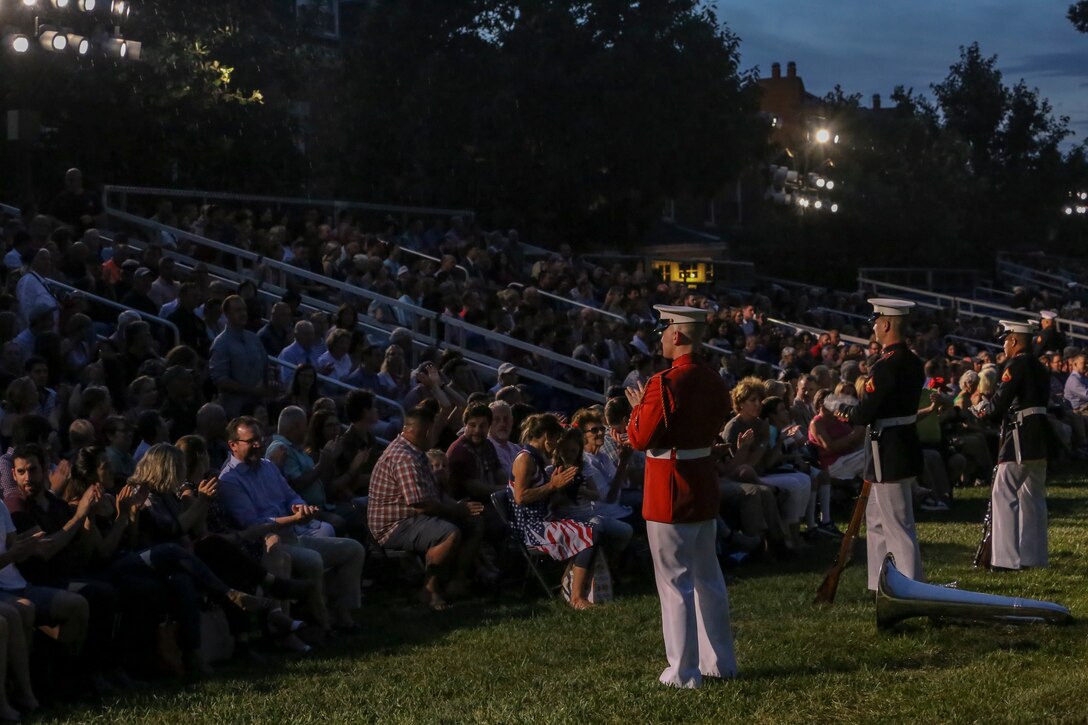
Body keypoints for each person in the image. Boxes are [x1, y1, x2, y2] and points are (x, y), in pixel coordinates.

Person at [625, 305, 736, 689]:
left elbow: (639, 438)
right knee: (709, 577)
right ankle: (720, 661)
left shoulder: (665, 382)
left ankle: (684, 672)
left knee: (675, 582)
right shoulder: (714, 378)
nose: (660, 337)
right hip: (702, 481)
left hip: (670, 485)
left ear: (676, 335)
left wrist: (639, 407)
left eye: (664, 329)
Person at [368, 407, 484, 610]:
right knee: (448, 533)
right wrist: (457, 511)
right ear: (427, 431)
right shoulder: (404, 458)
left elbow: (435, 495)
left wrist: (460, 507)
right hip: (394, 525)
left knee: (475, 522)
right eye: (435, 429)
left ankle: (456, 583)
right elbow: (422, 505)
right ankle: (429, 590)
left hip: (412, 517)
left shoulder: (416, 452)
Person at [847, 299, 926, 591]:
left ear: (887, 324)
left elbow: (866, 411)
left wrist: (846, 413)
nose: (875, 327)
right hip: (899, 443)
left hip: (887, 448)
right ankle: (881, 585)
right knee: (878, 519)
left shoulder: (886, 365)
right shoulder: (913, 362)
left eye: (876, 321)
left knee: (896, 522)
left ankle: (910, 587)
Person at [980, 320, 1051, 571]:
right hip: (1039, 432)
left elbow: (1000, 404)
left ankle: (1006, 560)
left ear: (1013, 341)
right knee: (1033, 496)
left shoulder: (1016, 364)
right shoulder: (1040, 367)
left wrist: (982, 411)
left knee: (1004, 491)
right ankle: (1034, 556)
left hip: (1020, 433)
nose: (1004, 346)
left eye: (1006, 341)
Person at [209, 295, 269, 418]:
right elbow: (220, 380)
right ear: (226, 314)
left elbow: (266, 366)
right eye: (238, 310)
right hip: (234, 411)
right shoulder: (221, 343)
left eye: (244, 310)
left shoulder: (254, 339)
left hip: (258, 406)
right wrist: (251, 390)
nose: (243, 314)